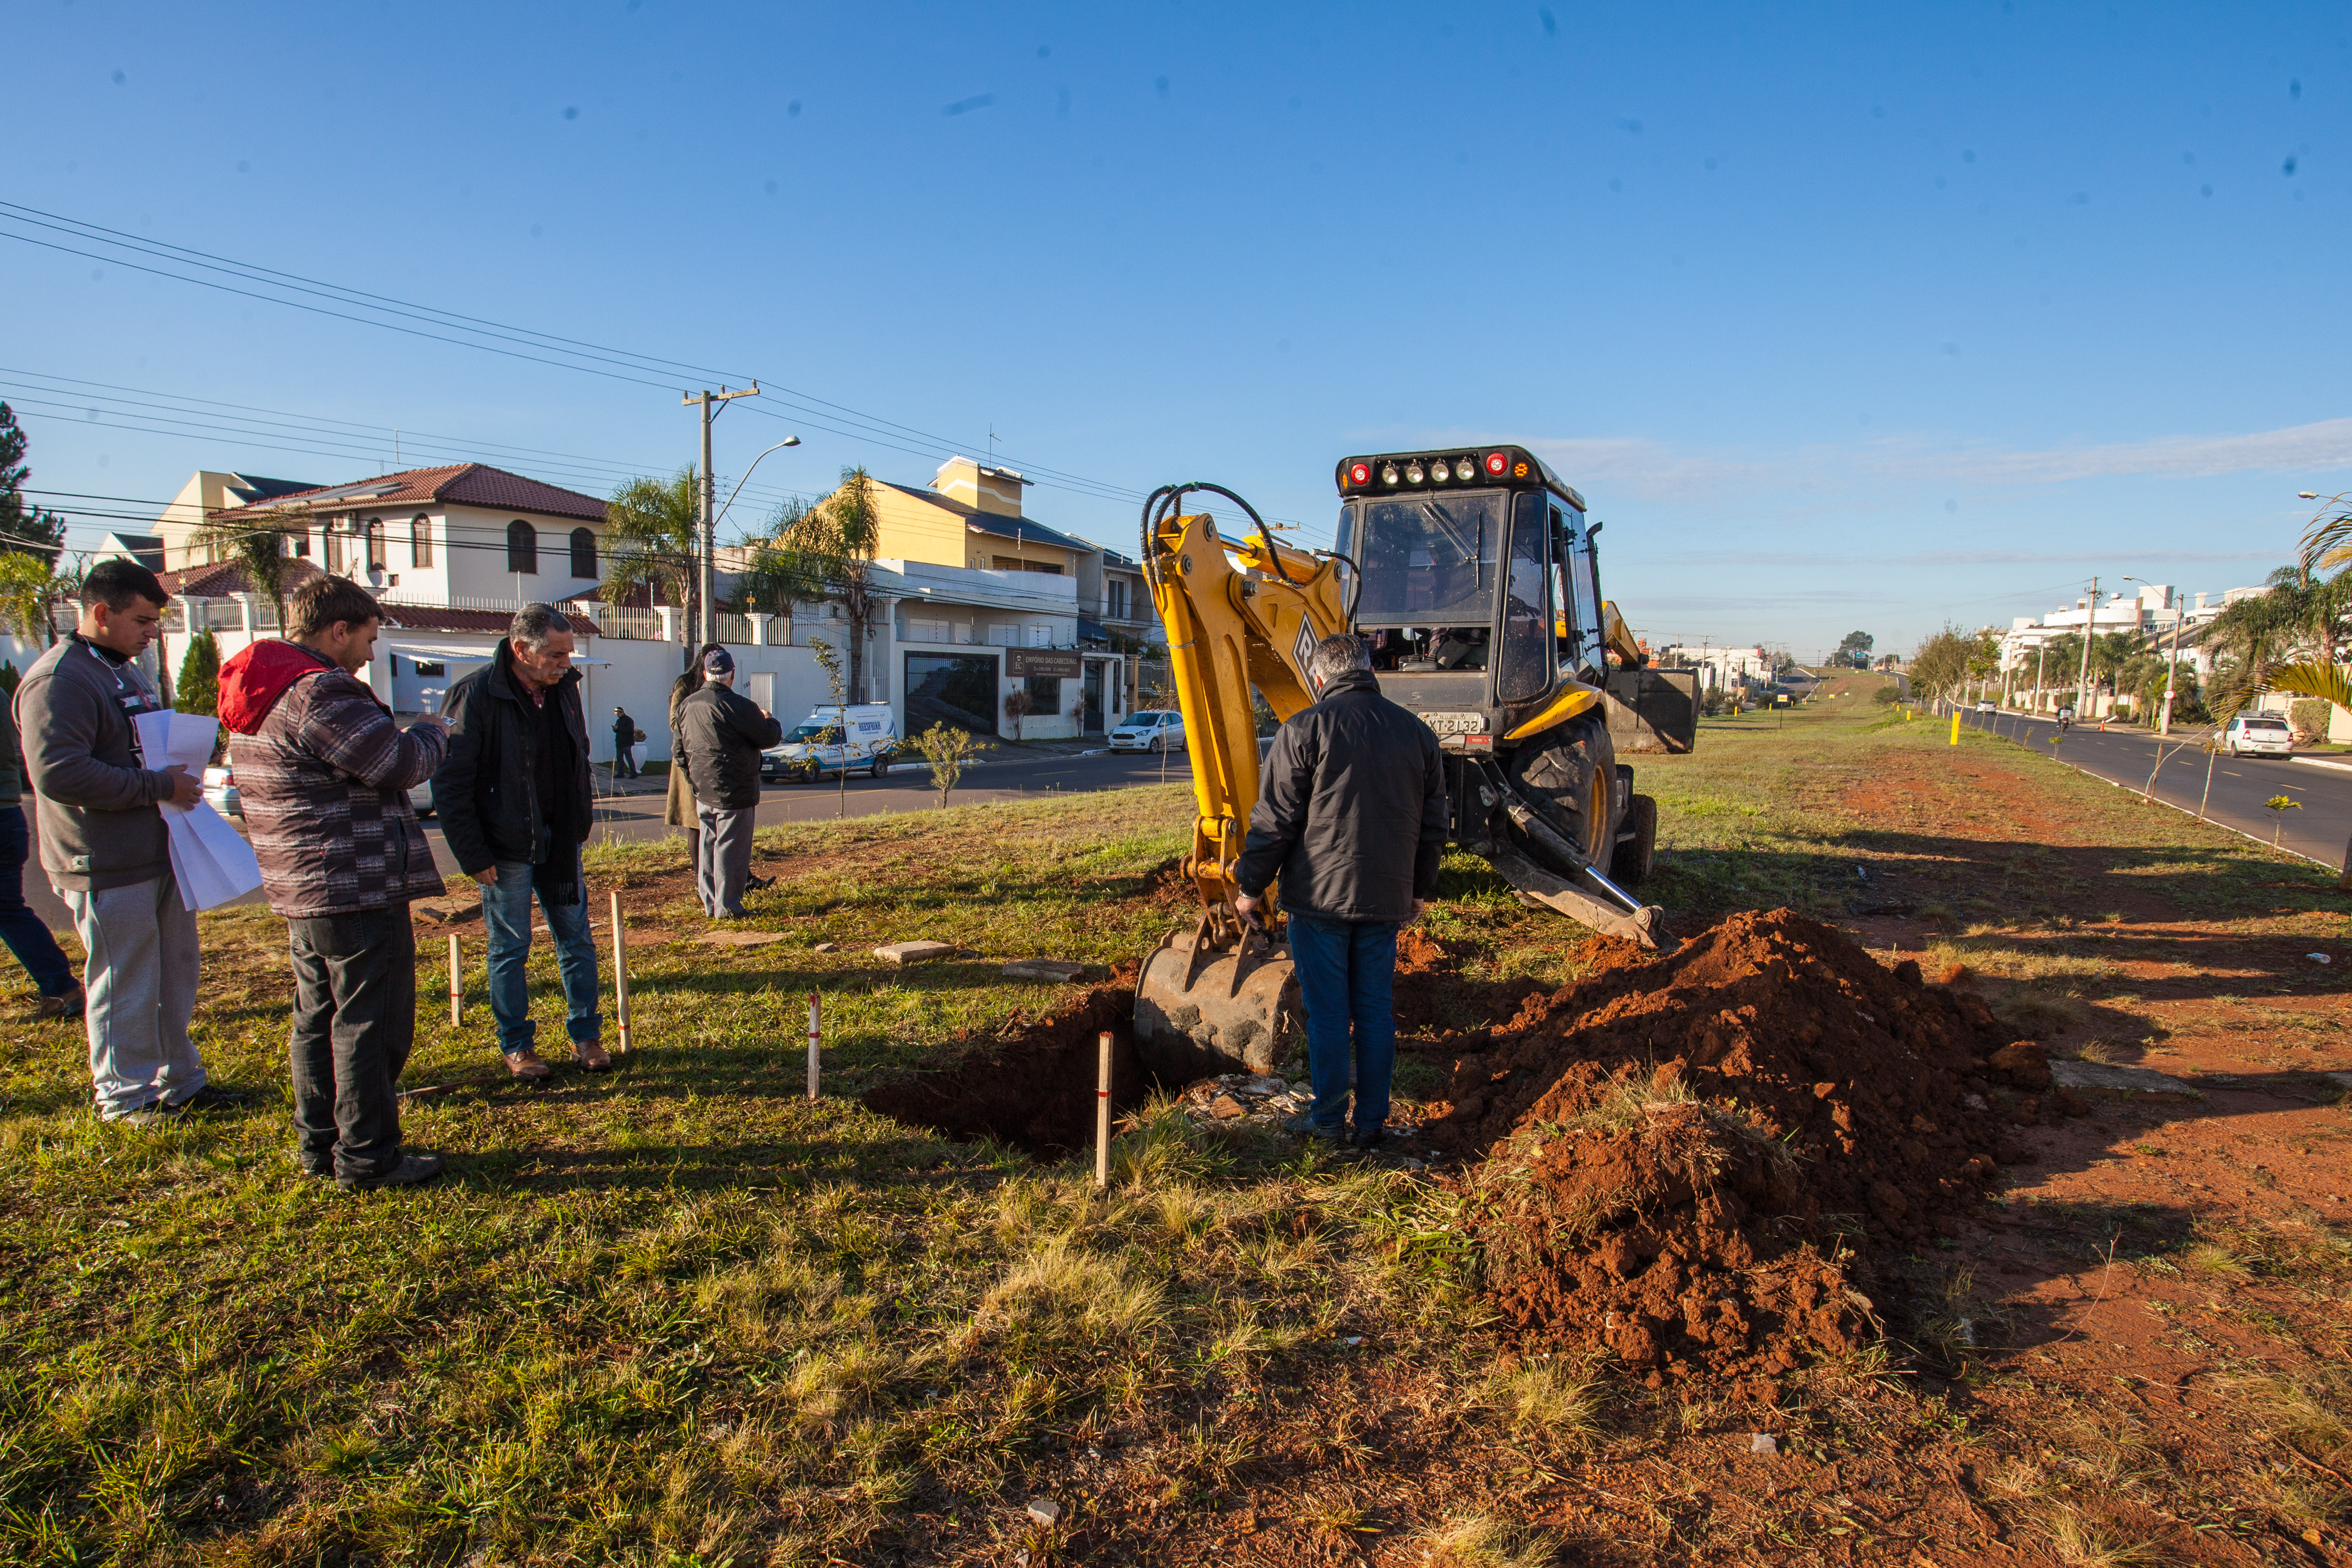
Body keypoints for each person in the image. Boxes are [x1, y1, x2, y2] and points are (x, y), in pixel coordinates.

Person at [219, 575, 449, 1189]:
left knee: (319, 1018)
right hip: (354, 883)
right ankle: (369, 1155)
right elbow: (397, 763)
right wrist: (432, 731)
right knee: (369, 1024)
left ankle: (321, 1143)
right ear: (338, 630)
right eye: (369, 640)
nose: (370, 656)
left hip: (304, 885)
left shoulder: (266, 691)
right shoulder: (321, 691)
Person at [16, 559, 238, 1125]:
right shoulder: (60, 680)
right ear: (100, 612)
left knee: (173, 974)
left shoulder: (122, 670)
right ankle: (125, 1097)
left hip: (159, 852)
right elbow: (60, 773)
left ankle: (179, 1081)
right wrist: (158, 785)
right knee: (125, 979)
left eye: (155, 621)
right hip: (104, 860)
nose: (151, 633)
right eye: (141, 620)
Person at [1233, 633, 1446, 1151]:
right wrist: (1419, 889)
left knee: (1328, 1013)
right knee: (1373, 1010)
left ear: (1318, 677)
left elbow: (1275, 820)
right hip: (1385, 899)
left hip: (1317, 900)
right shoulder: (1417, 733)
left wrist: (1250, 886)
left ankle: (1327, 1121)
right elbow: (1433, 825)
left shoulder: (1302, 729)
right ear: (1369, 669)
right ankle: (1371, 1125)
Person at [432, 604, 607, 1079]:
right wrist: (472, 852)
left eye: (568, 653)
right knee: (510, 947)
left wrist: (578, 823)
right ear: (520, 650)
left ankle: (587, 1036)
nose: (565, 663)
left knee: (577, 939)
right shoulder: (473, 695)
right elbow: (450, 783)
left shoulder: (565, 690)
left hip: (560, 840)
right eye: (555, 655)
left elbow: (578, 755)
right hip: (504, 847)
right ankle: (517, 1045)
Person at [676, 647, 780, 919]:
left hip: (703, 790)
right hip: (735, 791)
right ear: (732, 675)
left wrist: (693, 780)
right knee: (731, 849)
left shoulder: (687, 705)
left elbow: (679, 750)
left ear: (705, 674)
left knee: (709, 846)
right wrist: (769, 719)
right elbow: (769, 737)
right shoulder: (739, 706)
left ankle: (712, 903)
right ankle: (729, 907)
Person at [0, 693, 80, 1019]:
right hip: (8, 814)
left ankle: (61, 989)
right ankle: (62, 989)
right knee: (9, 910)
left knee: (7, 910)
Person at [662, 649, 715, 860]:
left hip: (711, 759)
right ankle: (698, 874)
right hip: (690, 759)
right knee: (695, 822)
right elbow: (674, 723)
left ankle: (727, 873)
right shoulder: (685, 685)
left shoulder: (715, 685)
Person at [611, 705, 639, 779]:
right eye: (617, 714)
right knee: (620, 759)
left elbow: (630, 730)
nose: (618, 715)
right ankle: (621, 774)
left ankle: (634, 773)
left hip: (626, 743)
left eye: (619, 714)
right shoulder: (619, 721)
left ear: (622, 712)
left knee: (629, 758)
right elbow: (618, 731)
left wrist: (619, 728)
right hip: (619, 743)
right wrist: (615, 729)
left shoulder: (629, 720)